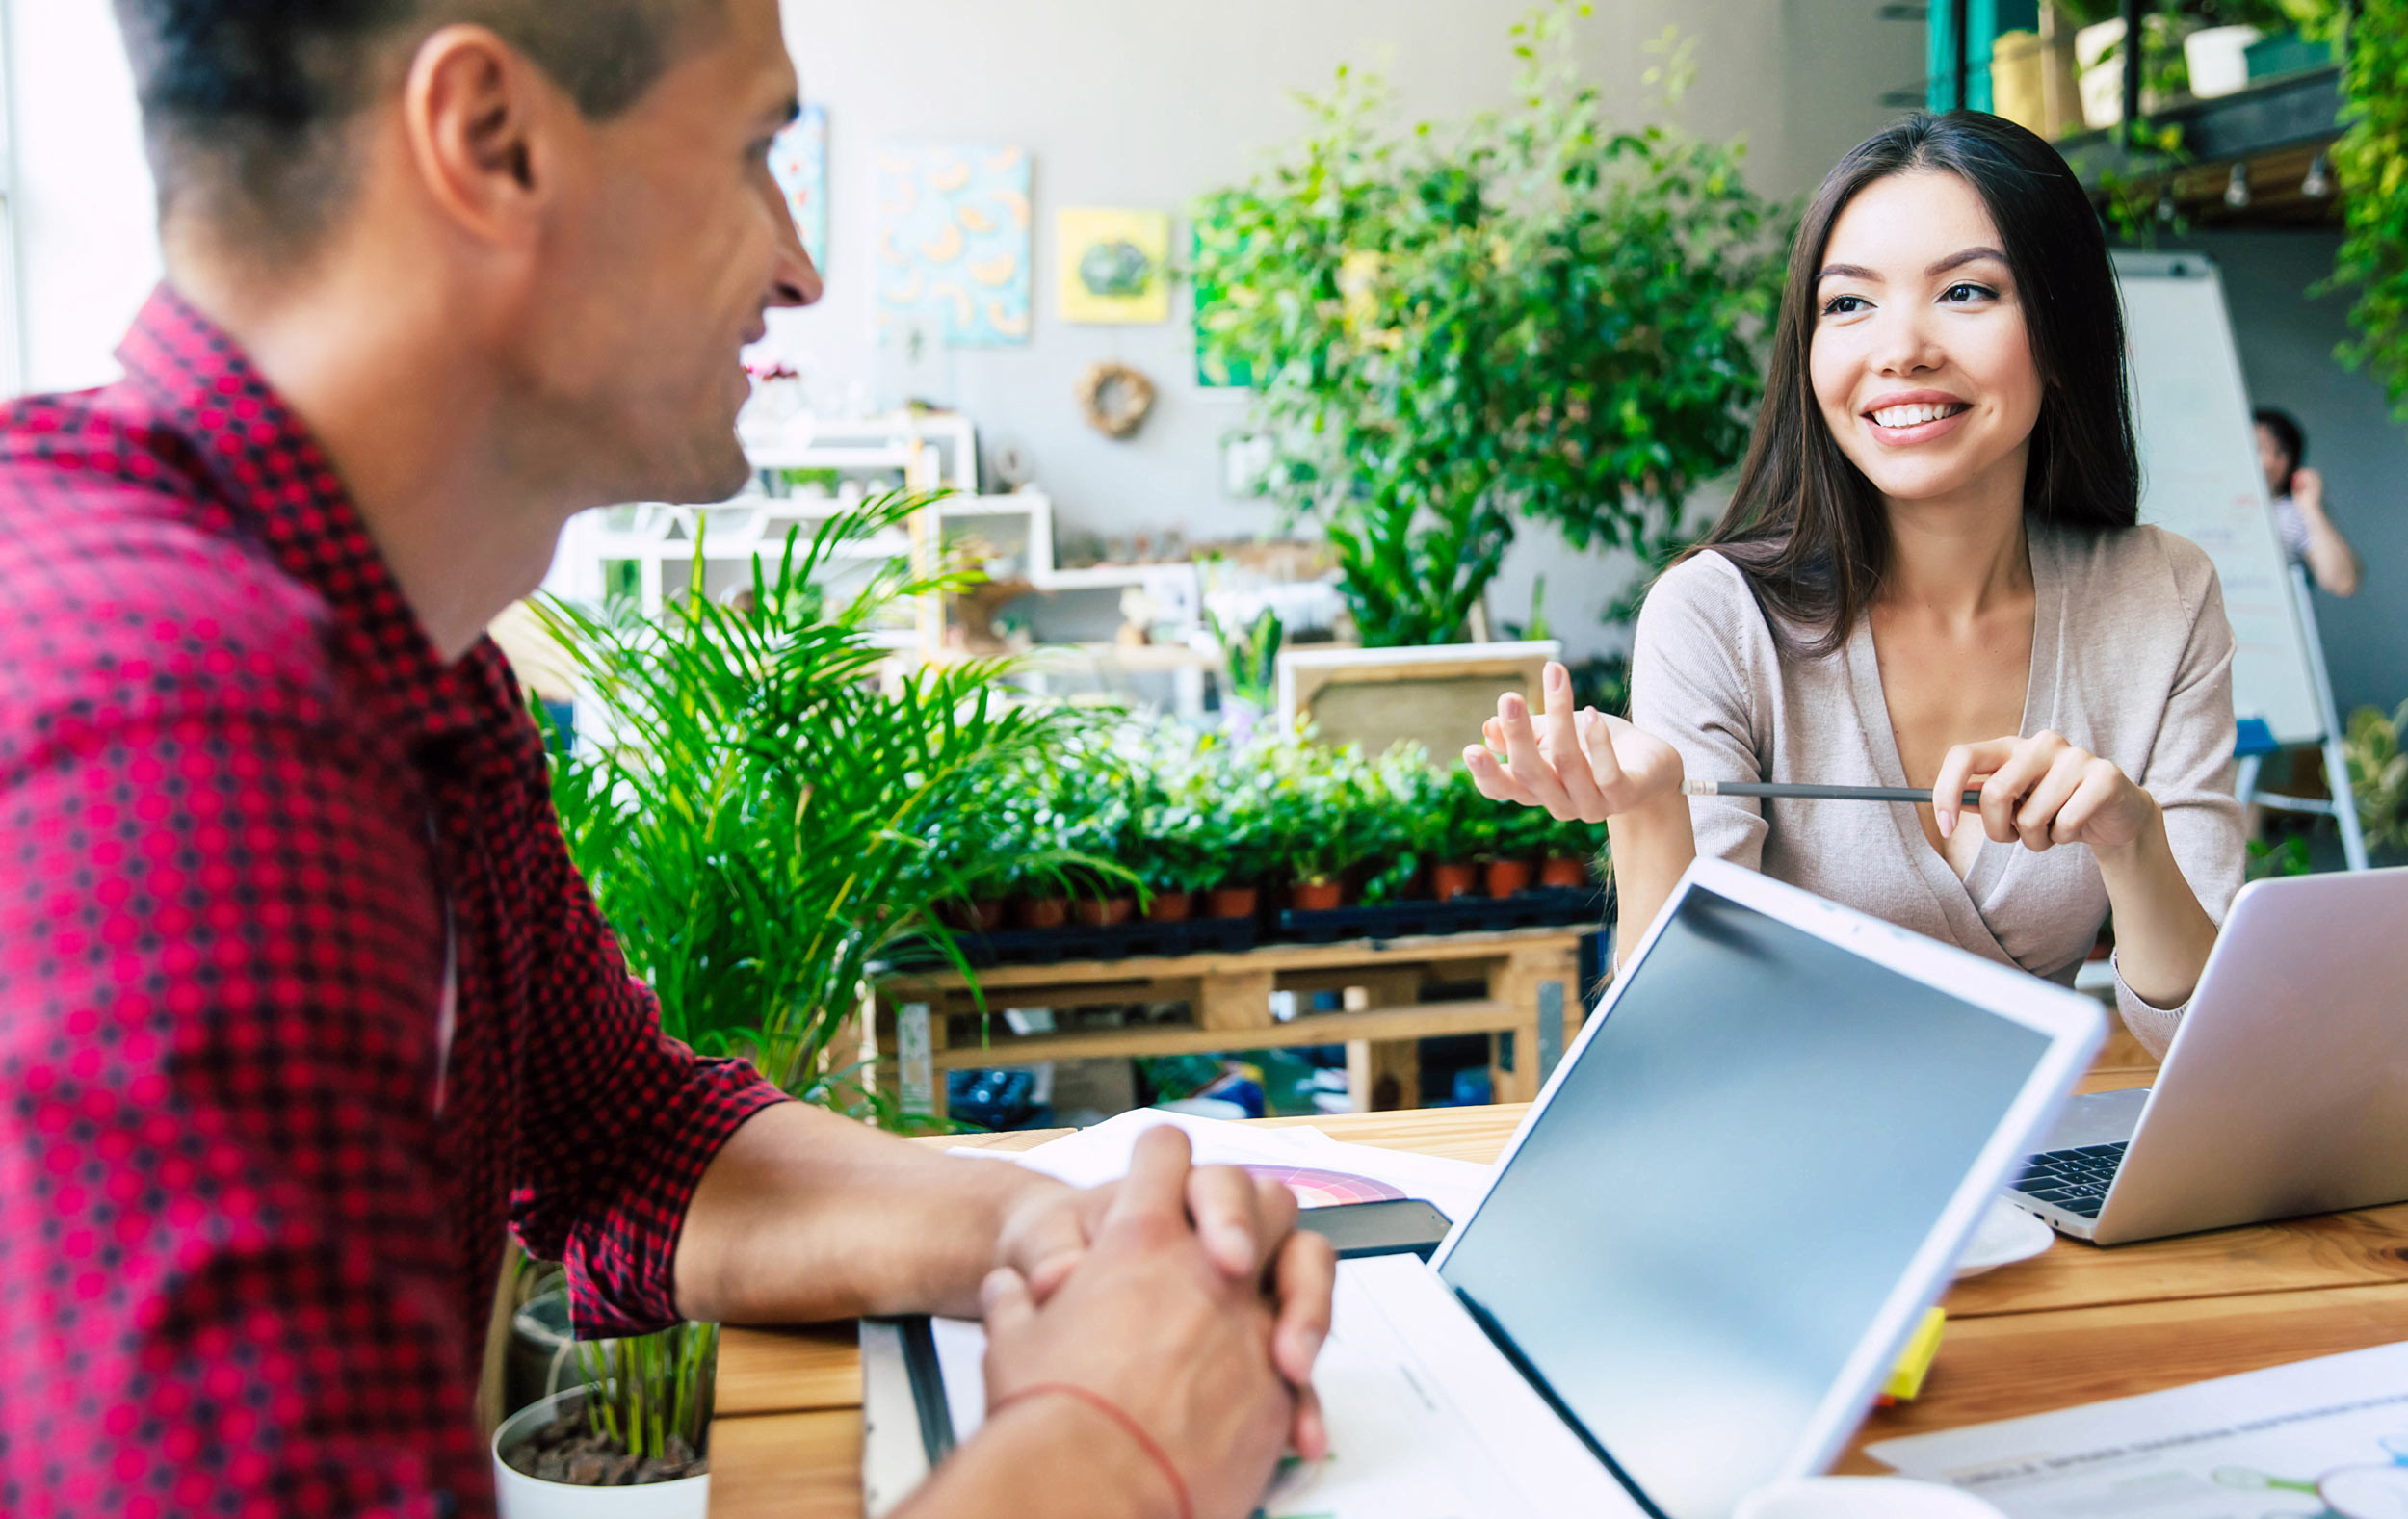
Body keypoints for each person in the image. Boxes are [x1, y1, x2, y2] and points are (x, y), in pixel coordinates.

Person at [0, 4, 1332, 1516]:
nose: (800, 268)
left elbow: (629, 1141)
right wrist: (1116, 1444)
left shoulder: (415, 672)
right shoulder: (173, 733)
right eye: (757, 150)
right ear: (493, 145)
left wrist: (1071, 1237)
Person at [1468, 111, 2241, 1061]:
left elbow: (2204, 1040)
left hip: (2034, 1173)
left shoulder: (2161, 595)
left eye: (1966, 291)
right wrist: (1650, 811)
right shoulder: (1716, 617)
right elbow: (1676, 1059)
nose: (1900, 348)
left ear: (2061, 321)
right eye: (1849, 304)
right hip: (1785, 1174)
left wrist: (2132, 841)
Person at [2254, 406, 2361, 597]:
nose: (2268, 461)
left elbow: (2343, 582)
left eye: (2282, 452)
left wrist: (2312, 508)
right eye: (2254, 447)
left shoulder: (2292, 513)